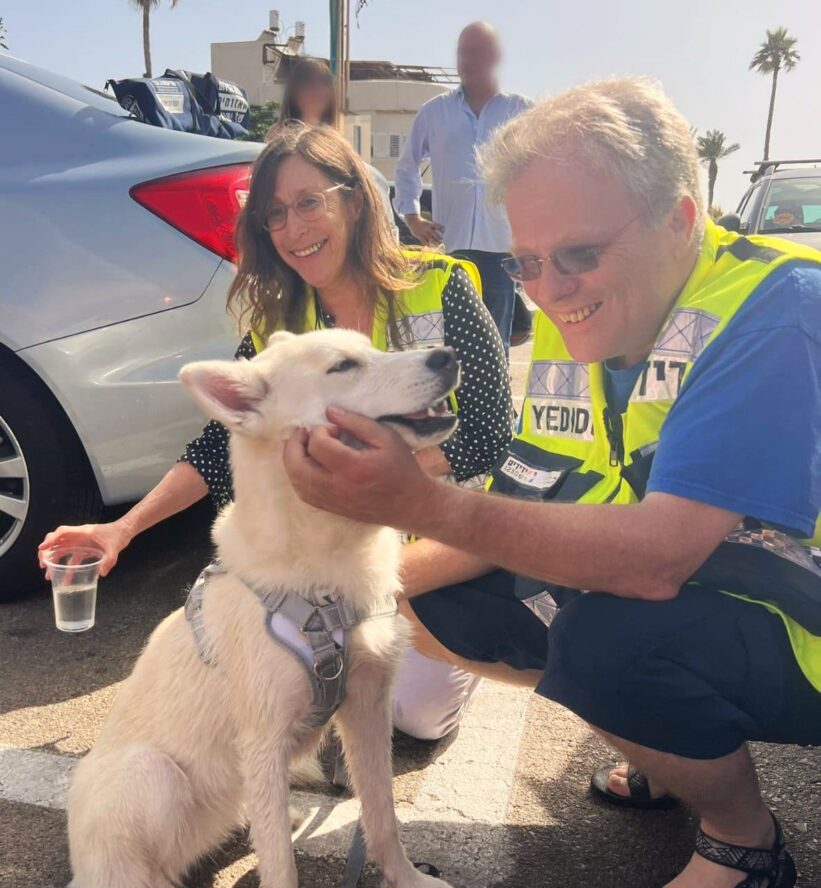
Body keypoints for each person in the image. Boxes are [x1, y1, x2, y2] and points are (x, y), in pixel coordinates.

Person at [282, 80, 821, 888]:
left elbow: (655, 561)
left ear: (680, 217)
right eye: (527, 263)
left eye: (575, 253)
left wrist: (415, 505)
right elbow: (530, 510)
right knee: (442, 600)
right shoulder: (595, 327)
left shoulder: (773, 314)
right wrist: (349, 598)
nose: (548, 291)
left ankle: (741, 840)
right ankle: (665, 746)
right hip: (729, 593)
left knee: (610, 642)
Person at [39, 122, 513, 742]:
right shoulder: (279, 332)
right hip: (338, 548)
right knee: (286, 659)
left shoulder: (441, 284)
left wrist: (370, 483)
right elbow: (215, 451)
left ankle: (456, 637)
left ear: (352, 198)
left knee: (414, 713)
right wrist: (120, 528)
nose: (294, 230)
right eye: (276, 215)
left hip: (441, 537)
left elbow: (488, 430)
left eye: (309, 203)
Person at [394, 21, 531, 352]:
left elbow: (545, 173)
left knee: (496, 343)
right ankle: (455, 404)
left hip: (501, 250)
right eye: (463, 52)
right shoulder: (435, 113)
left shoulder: (521, 112)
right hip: (451, 248)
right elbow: (407, 166)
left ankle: (493, 404)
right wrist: (413, 218)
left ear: (496, 57)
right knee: (451, 343)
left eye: (477, 52)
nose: (467, 60)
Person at [268, 57, 397, 239]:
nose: (316, 89)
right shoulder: (276, 152)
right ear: (293, 90)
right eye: (306, 81)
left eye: (324, 81)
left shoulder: (347, 158)